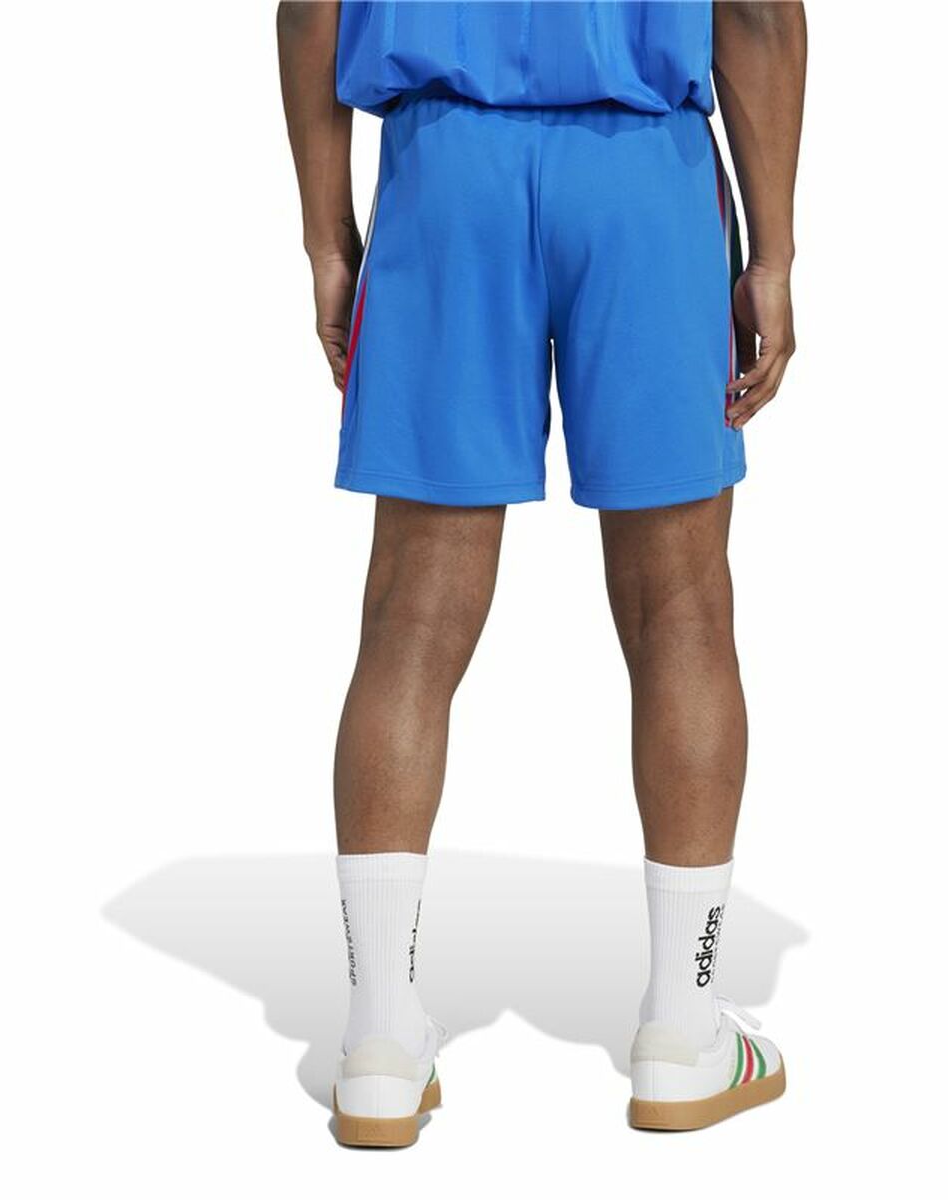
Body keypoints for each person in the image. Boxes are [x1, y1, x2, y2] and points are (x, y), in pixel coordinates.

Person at [278, 0, 806, 1146]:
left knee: (410, 621)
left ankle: (377, 1044)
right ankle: (684, 1034)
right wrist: (773, 255)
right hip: (645, 176)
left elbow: (313, 7)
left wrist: (326, 239)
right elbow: (758, 12)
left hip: (446, 175)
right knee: (681, 609)